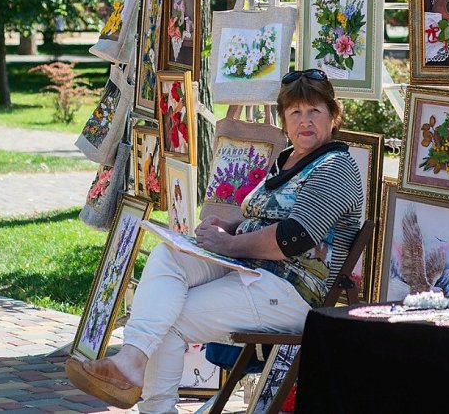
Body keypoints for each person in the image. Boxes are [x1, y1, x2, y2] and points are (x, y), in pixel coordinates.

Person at [66, 69, 364, 412]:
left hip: (290, 292)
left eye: (315, 111)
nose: (305, 121)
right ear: (284, 119)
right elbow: (265, 213)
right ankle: (131, 360)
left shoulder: (335, 167)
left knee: (169, 319)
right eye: (295, 112)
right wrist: (230, 224)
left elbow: (293, 237)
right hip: (252, 271)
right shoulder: (289, 159)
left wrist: (230, 243)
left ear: (333, 115)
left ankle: (152, 404)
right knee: (168, 257)